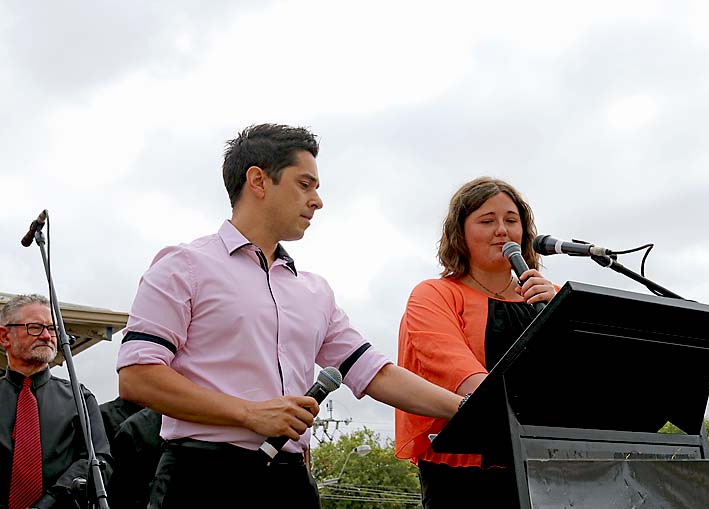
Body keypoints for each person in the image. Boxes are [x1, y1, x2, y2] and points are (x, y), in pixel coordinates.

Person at [116, 123, 463, 508]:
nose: (317, 201)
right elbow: (137, 376)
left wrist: (467, 409)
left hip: (292, 481)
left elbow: (374, 372)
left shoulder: (315, 291)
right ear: (258, 181)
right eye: (305, 184)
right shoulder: (183, 266)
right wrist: (249, 413)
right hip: (201, 477)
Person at [395, 177, 558, 508]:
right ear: (460, 233)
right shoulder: (435, 295)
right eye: (487, 221)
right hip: (465, 473)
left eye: (511, 220)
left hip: (547, 465)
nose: (502, 230)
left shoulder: (548, 297)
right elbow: (457, 372)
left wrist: (560, 310)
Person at [0, 294, 112, 509]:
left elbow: (98, 459)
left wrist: (49, 502)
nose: (46, 336)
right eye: (35, 327)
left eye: (52, 329)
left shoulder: (80, 398)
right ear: (5, 336)